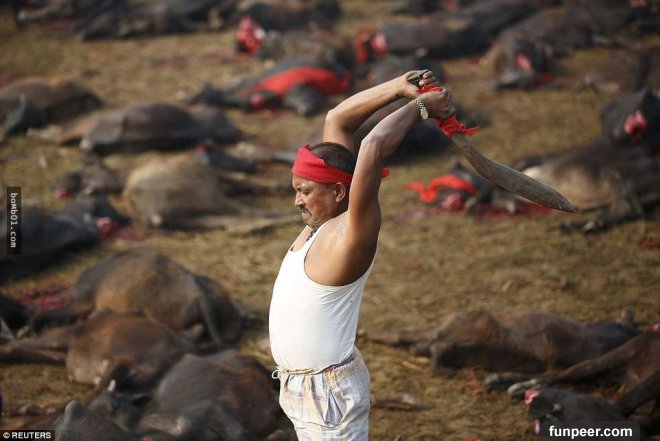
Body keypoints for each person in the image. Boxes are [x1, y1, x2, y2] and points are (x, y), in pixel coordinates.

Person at [269, 69, 454, 440]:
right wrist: (399, 87)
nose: (297, 201)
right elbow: (338, 119)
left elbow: (372, 147)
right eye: (296, 190)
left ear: (338, 193)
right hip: (300, 390)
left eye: (305, 191)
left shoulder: (351, 234)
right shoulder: (320, 224)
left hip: (329, 396)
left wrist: (420, 108)